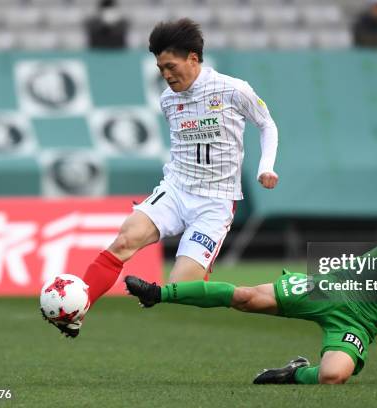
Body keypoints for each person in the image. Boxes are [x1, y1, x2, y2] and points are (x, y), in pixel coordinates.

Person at [125, 171, 377, 385]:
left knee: (332, 377)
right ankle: (158, 293)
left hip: (360, 322)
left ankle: (293, 372)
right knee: (246, 297)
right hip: (330, 286)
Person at [45, 18, 279, 338]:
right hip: (176, 189)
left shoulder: (233, 89)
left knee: (182, 288)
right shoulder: (168, 99)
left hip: (215, 201)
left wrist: (266, 166)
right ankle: (77, 312)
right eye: (160, 69)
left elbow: (267, 124)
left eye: (171, 66)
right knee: (125, 240)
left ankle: (246, 295)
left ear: (193, 58)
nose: (166, 76)